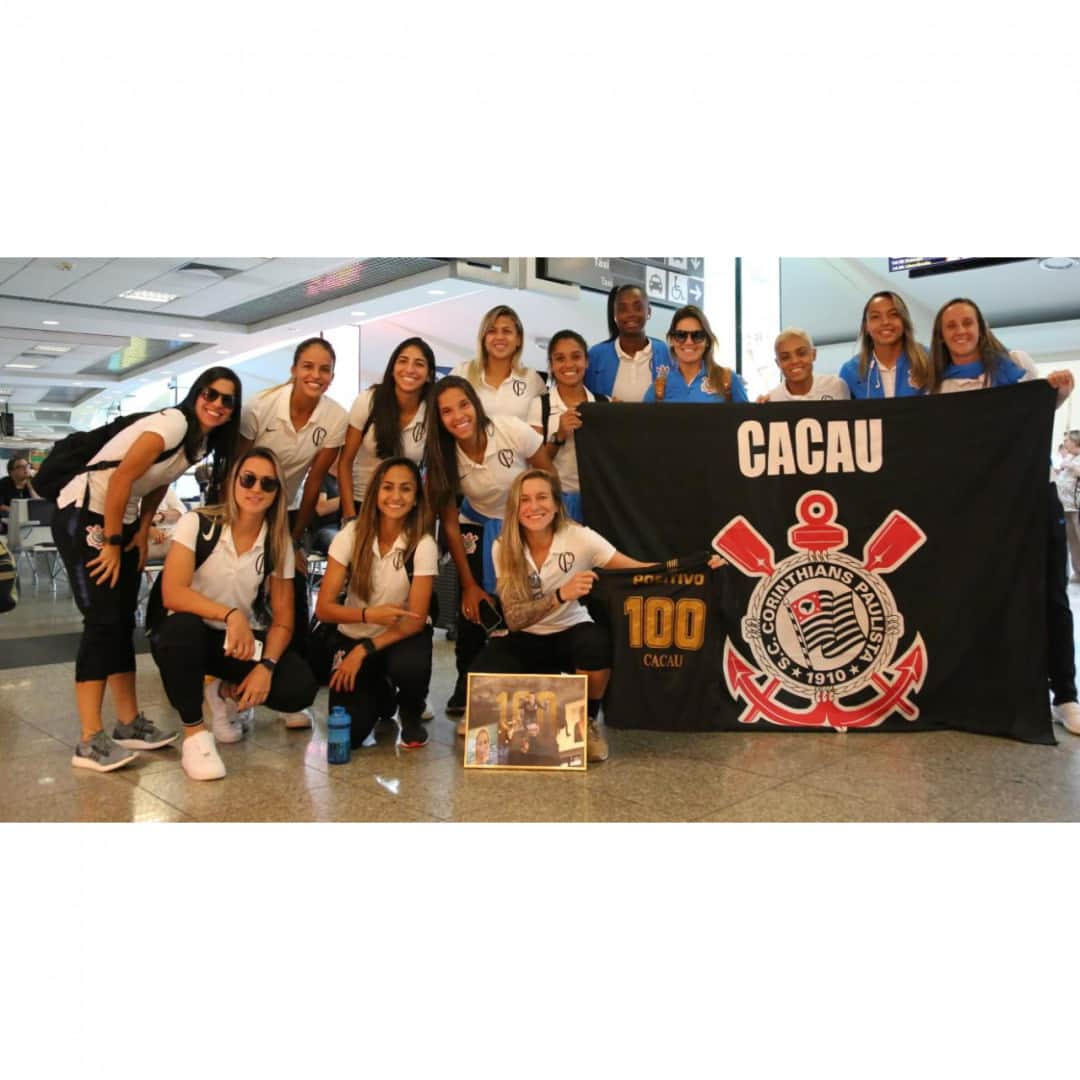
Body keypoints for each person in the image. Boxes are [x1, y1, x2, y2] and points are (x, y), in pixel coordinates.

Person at [51, 366, 241, 772]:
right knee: (102, 621)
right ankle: (88, 740)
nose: (218, 404)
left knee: (121, 620)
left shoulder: (197, 444)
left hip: (120, 518)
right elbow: (122, 477)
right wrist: (115, 541)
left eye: (228, 400)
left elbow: (158, 481)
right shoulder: (174, 422)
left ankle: (127, 723)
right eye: (212, 394)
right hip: (86, 512)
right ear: (196, 394)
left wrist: (141, 529)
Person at [928, 296, 1080, 737]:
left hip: (1032, 496)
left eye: (967, 322)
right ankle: (990, 689)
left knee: (1051, 596)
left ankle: (1065, 694)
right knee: (979, 597)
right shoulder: (936, 387)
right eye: (951, 324)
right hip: (974, 509)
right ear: (941, 334)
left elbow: (1043, 405)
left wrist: (1060, 389)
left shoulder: (1014, 365)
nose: (960, 330)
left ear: (980, 325)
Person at [152, 448, 317, 780]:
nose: (256, 489)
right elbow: (173, 592)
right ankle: (195, 736)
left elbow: (284, 620)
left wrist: (266, 668)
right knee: (182, 630)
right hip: (188, 633)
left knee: (298, 686)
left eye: (268, 484)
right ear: (233, 482)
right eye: (248, 479)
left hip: (234, 642)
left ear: (277, 494)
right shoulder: (196, 523)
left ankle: (224, 690)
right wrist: (231, 615)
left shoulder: (277, 541)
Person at [472, 468, 654, 762]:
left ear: (557, 504)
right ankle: (483, 721)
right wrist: (560, 595)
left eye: (542, 497)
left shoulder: (581, 538)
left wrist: (690, 568)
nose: (534, 507)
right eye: (525, 500)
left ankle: (589, 722)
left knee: (595, 645)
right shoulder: (502, 546)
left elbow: (635, 570)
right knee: (481, 676)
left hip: (571, 630)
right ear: (515, 509)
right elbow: (515, 618)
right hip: (527, 635)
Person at [425, 375, 554, 721]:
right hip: (477, 524)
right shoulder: (442, 455)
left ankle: (528, 681)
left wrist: (543, 527)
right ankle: (466, 682)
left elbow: (547, 474)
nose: (458, 416)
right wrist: (468, 585)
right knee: (474, 610)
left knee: (527, 602)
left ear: (476, 404)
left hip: (525, 521)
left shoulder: (510, 429)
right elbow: (449, 522)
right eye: (446, 411)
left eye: (463, 405)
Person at [237, 336, 348, 728]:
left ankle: (287, 693)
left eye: (324, 369)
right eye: (308, 367)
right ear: (294, 369)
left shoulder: (334, 418)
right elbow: (236, 467)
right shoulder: (261, 408)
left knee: (292, 598)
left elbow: (315, 482)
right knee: (244, 593)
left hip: (284, 513)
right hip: (244, 507)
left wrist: (294, 540)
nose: (315, 375)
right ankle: (230, 688)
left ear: (331, 376)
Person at [314, 456, 435, 749]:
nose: (395, 497)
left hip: (400, 636)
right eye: (387, 487)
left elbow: (416, 619)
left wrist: (364, 650)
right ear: (374, 493)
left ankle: (410, 712)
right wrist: (369, 616)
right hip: (353, 634)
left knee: (410, 666)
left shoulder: (423, 543)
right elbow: (324, 609)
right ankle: (382, 692)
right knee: (351, 734)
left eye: (406, 489)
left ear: (417, 497)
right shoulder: (350, 535)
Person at [337, 337, 435, 521]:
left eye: (419, 364)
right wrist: (349, 515)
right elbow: (345, 462)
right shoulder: (369, 401)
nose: (410, 369)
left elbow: (434, 471)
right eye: (403, 361)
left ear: (429, 375)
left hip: (404, 506)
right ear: (392, 368)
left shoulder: (432, 411)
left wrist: (425, 517)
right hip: (362, 502)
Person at [527, 329, 607, 521]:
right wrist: (559, 436)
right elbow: (534, 464)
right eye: (560, 358)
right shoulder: (540, 406)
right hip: (555, 501)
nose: (569, 364)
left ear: (586, 361)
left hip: (597, 502)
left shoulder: (604, 404)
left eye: (576, 357)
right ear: (552, 365)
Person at [450, 305, 545, 421]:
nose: (499, 337)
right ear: (483, 338)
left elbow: (542, 429)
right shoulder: (462, 373)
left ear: (518, 339)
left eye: (507, 331)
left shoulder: (532, 379)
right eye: (492, 331)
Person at [643, 305, 748, 403]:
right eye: (681, 335)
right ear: (672, 340)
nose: (689, 342)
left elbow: (749, 420)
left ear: (707, 341)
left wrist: (763, 406)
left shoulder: (728, 380)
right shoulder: (658, 388)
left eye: (697, 335)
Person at [585, 283, 672, 401]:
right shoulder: (595, 356)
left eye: (637, 307)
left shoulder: (666, 353)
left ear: (649, 312)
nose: (631, 314)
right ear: (615, 315)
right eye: (623, 309)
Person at [838, 291, 929, 399]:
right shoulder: (850, 371)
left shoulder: (929, 359)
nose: (885, 322)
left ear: (904, 321)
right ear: (866, 326)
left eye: (893, 314)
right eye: (875, 317)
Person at [761, 328, 850, 402]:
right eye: (785, 357)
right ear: (778, 363)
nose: (794, 361)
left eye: (801, 353)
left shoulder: (837, 386)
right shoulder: (772, 400)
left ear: (813, 354)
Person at [1053, 431, 1080, 582]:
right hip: (1066, 505)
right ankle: (1078, 571)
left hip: (1076, 506)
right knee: (1073, 541)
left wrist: (1071, 466)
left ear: (1076, 442)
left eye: (1068, 440)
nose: (1065, 443)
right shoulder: (1069, 456)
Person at [145, 485, 188, 562]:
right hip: (145, 540)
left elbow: (182, 512)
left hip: (171, 536)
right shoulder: (132, 490)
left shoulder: (164, 487)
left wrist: (161, 516)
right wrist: (147, 529)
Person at [0, 455, 34, 534]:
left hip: (30, 521)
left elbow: (39, 504)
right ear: (11, 472)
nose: (25, 469)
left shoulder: (33, 483)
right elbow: (0, 505)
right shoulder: (3, 484)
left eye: (27, 466)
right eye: (21, 467)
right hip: (6, 519)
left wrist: (30, 487)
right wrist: (19, 511)